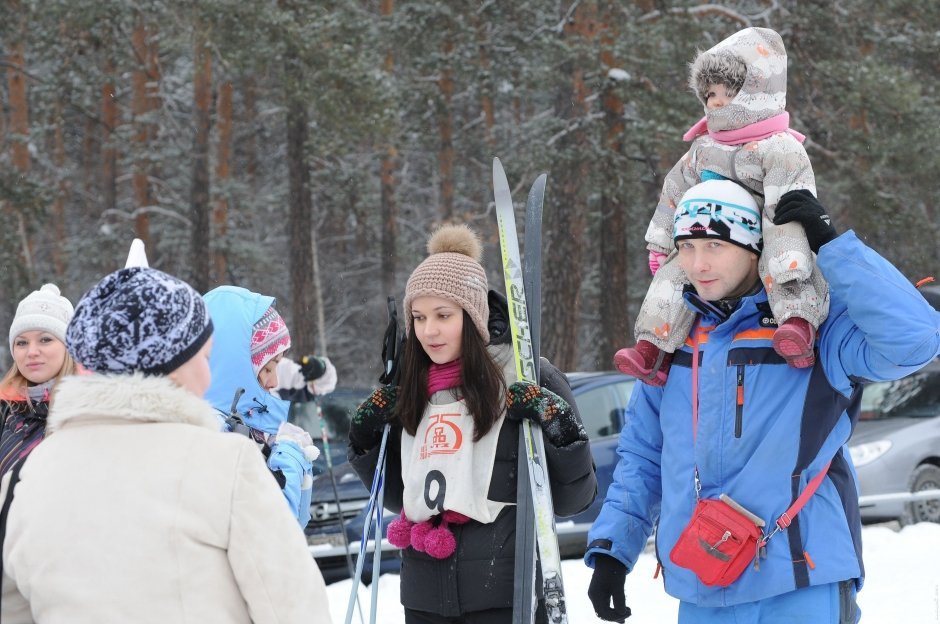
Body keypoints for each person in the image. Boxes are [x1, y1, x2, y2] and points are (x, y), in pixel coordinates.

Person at [585, 181, 940, 623]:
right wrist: (614, 549)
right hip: (703, 581)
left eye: (715, 244)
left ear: (755, 247)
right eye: (687, 247)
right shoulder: (671, 341)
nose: (698, 263)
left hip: (801, 579)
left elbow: (916, 342)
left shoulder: (815, 331)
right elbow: (643, 455)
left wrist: (833, 248)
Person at [0, 266, 331, 623]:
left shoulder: (27, 473)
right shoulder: (227, 464)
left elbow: (13, 608)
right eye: (203, 358)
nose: (209, 373)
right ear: (171, 364)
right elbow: (292, 607)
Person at [348, 224, 597, 624]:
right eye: (419, 316)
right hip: (424, 596)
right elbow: (402, 497)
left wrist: (562, 430)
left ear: (474, 314)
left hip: (503, 594)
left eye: (443, 315)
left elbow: (573, 501)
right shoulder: (409, 387)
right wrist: (364, 440)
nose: (429, 330)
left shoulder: (525, 376)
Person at [614, 27, 828, 387]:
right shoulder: (703, 147)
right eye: (709, 94)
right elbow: (674, 190)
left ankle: (797, 322)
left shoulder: (780, 147)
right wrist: (663, 241)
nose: (714, 102)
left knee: (785, 252)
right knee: (678, 270)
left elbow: (791, 194)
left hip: (769, 219)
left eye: (725, 92)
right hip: (710, 224)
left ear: (754, 91)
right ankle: (653, 347)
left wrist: (791, 226)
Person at [203, 286, 321, 529]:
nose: (274, 382)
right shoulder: (212, 435)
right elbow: (273, 529)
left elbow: (296, 526)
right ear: (235, 368)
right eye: (267, 369)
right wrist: (289, 457)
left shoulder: (243, 429)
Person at [0, 284, 76, 476]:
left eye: (45, 339)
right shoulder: (5, 410)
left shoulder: (91, 409)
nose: (32, 352)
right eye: (22, 342)